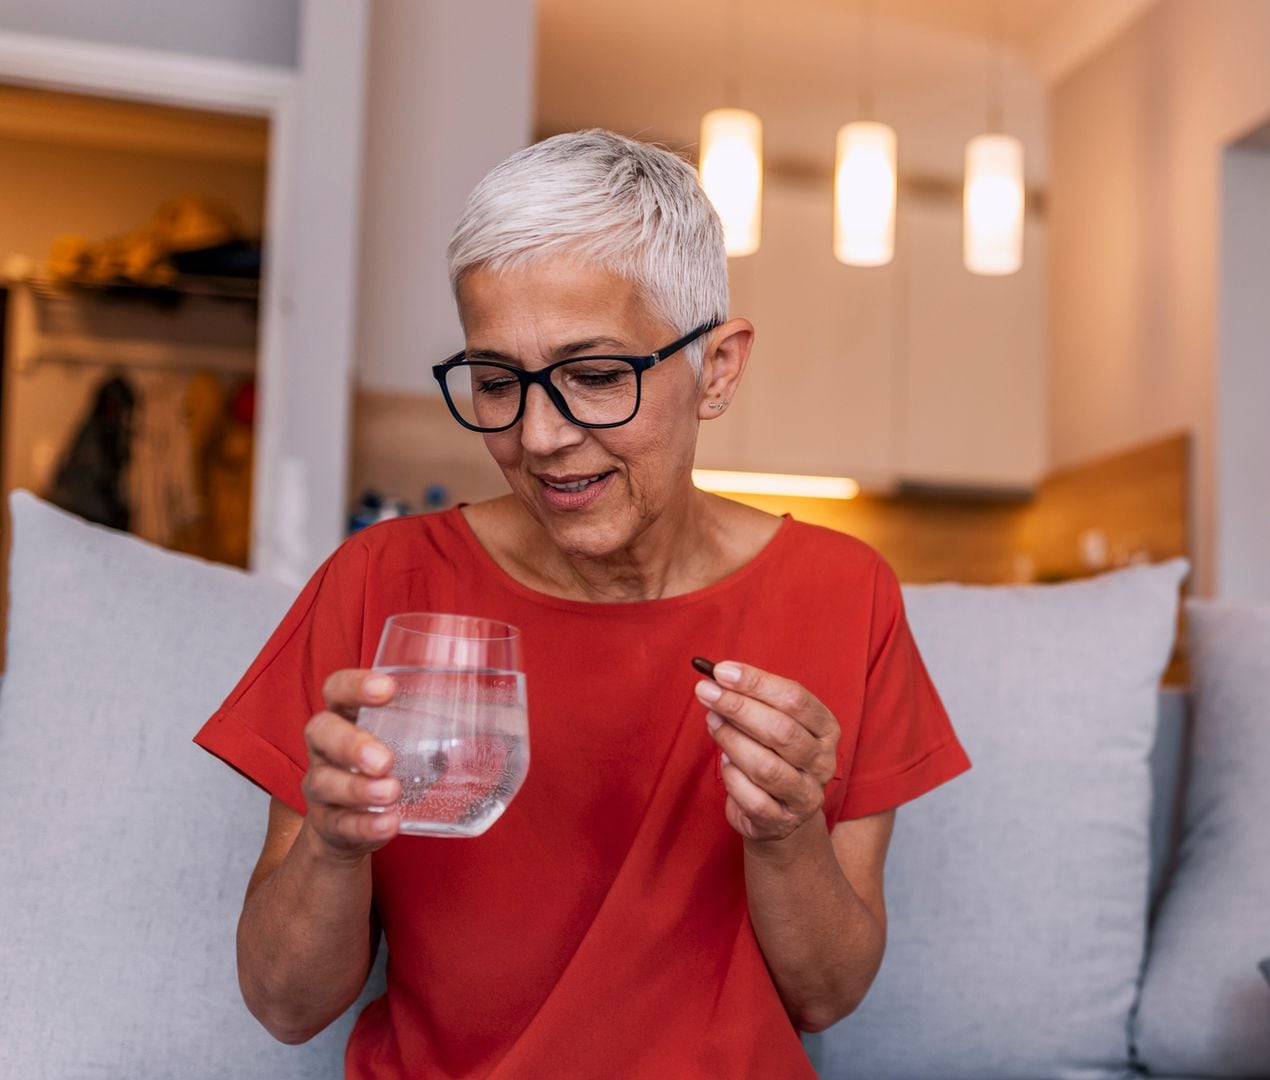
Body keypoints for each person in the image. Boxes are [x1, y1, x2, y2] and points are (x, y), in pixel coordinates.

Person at [193, 129, 971, 1079]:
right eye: (496, 382)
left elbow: (825, 993)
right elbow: (284, 1006)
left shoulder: (844, 595)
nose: (542, 436)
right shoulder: (381, 585)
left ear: (717, 368)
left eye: (596, 376)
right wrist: (334, 844)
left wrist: (785, 831)